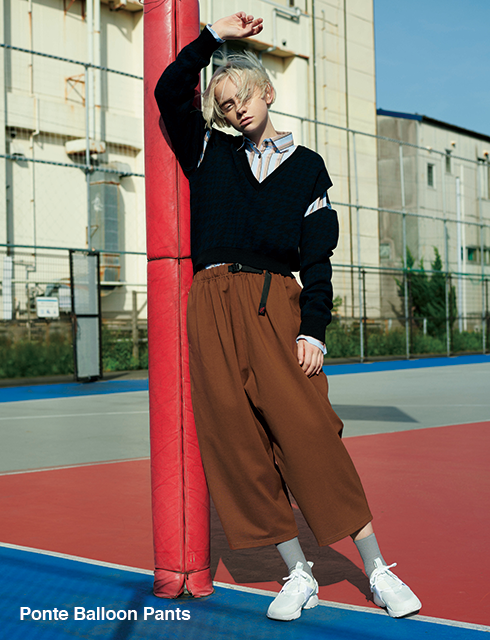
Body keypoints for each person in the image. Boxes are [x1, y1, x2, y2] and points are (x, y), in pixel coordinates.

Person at [155, 11, 421, 622]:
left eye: (243, 97)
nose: (235, 110)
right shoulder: (209, 150)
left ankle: (378, 568)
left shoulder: (307, 168)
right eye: (224, 104)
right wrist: (214, 37)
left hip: (275, 303)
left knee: (309, 436)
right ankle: (297, 571)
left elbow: (318, 258)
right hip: (210, 303)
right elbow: (170, 91)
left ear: (267, 92)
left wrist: (313, 330)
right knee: (237, 444)